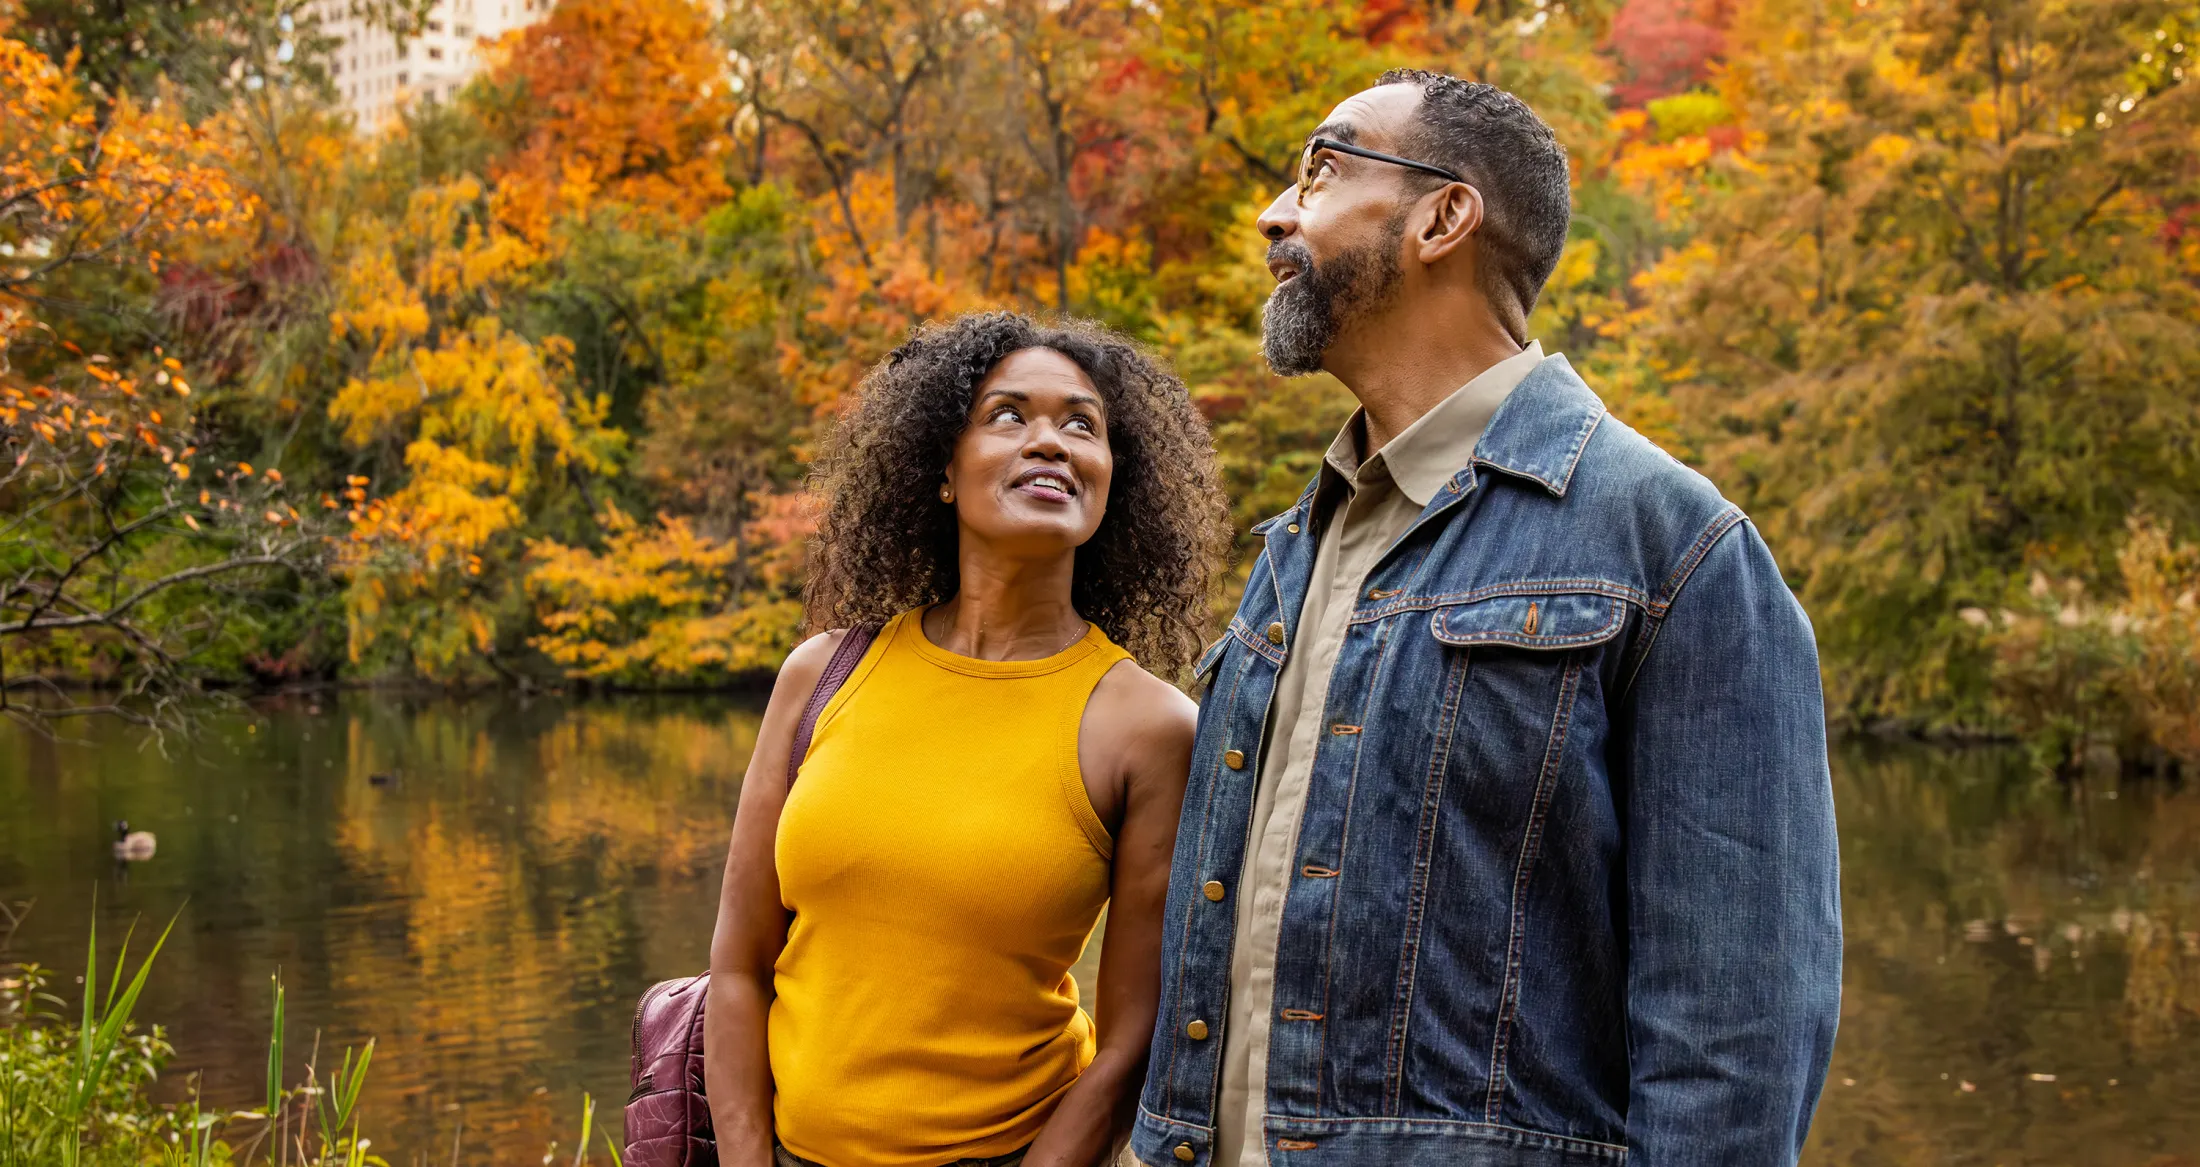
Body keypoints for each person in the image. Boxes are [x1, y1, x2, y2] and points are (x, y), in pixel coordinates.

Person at [1131, 71, 1842, 1167]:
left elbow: (1734, 1048)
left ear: (1442, 217)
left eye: (1321, 170)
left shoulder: (1674, 548)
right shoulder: (1290, 551)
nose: (1275, 214)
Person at [705, 312, 1231, 1167]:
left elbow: (1136, 1038)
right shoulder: (823, 673)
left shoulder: (1149, 726)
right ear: (943, 470)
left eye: (1081, 425)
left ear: (1110, 483)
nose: (1051, 442)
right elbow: (737, 965)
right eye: (1009, 415)